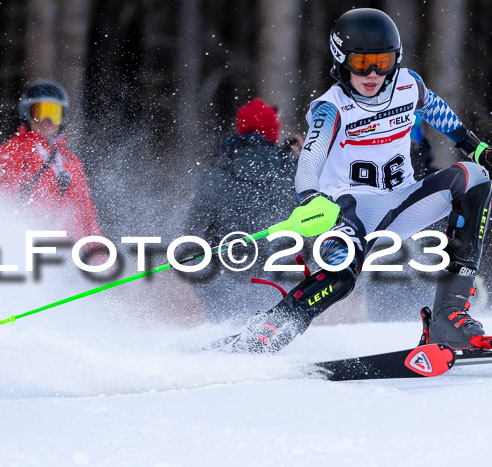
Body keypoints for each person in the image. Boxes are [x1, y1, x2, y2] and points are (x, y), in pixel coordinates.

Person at [219, 8, 492, 353]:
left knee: (476, 179)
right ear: (341, 60)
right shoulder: (331, 107)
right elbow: (310, 160)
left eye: (383, 61)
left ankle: (449, 318)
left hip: (402, 202)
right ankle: (267, 331)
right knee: (341, 275)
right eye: (362, 64)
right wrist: (310, 197)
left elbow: (437, 110)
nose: (374, 73)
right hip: (351, 212)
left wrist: (476, 148)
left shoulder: (409, 85)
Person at [186, 98, 296, 321]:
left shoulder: (216, 173)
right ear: (272, 132)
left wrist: (205, 288)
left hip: (224, 280)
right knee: (274, 343)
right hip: (277, 281)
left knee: (223, 344)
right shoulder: (293, 174)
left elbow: (193, 235)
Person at [0, 81, 102, 245]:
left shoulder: (71, 161)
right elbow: (1, 202)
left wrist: (99, 259)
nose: (47, 120)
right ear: (27, 114)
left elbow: (86, 217)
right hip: (24, 244)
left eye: (54, 113)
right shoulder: (13, 151)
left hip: (63, 252)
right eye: (39, 112)